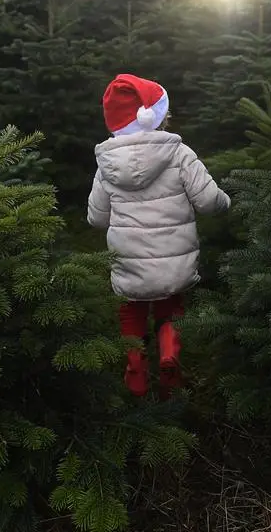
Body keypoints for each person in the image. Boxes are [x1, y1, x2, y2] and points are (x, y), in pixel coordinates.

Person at [87, 74, 231, 400]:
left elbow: (96, 218)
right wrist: (226, 203)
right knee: (171, 304)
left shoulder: (106, 163)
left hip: (128, 261)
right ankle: (170, 357)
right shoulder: (179, 153)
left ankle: (135, 365)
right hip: (174, 260)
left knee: (131, 309)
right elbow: (209, 201)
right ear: (157, 115)